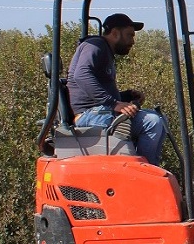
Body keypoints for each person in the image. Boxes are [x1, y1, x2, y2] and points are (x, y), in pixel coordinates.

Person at [68, 13, 168, 166]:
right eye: (129, 35)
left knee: (160, 118)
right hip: (90, 116)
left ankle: (146, 168)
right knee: (151, 122)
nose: (132, 41)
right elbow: (81, 76)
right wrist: (114, 103)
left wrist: (125, 96)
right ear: (114, 33)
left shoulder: (105, 51)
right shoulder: (96, 45)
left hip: (100, 112)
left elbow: (94, 92)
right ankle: (143, 173)